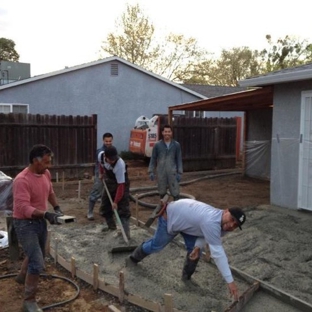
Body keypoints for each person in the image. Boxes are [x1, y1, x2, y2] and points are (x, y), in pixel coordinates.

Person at [128, 198, 246, 301]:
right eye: (232, 219)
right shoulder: (212, 221)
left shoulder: (223, 225)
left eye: (235, 225)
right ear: (225, 211)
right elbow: (218, 254)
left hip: (188, 223)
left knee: (195, 253)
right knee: (156, 246)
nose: (231, 225)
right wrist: (230, 281)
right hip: (171, 217)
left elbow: (204, 233)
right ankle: (133, 258)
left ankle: (186, 278)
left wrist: (197, 247)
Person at [12, 144, 64, 312]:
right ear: (35, 161)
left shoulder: (45, 174)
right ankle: (29, 301)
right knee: (37, 261)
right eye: (46, 162)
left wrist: (56, 209)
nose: (48, 166)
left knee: (36, 252)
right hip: (24, 224)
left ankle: (22, 276)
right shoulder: (22, 180)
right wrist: (46, 215)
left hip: (39, 221)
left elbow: (50, 192)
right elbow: (23, 208)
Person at [98, 145, 131, 238]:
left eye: (114, 159)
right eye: (110, 159)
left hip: (121, 184)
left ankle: (125, 234)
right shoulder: (101, 156)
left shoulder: (119, 165)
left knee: (123, 210)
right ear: (105, 157)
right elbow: (100, 164)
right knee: (105, 207)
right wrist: (101, 173)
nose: (113, 161)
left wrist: (116, 202)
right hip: (109, 182)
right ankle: (111, 227)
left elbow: (121, 186)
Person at [148, 124, 182, 200]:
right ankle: (163, 210)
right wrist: (151, 171)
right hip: (161, 172)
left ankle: (175, 210)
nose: (167, 133)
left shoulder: (176, 145)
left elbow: (179, 159)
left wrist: (179, 172)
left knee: (175, 193)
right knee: (162, 193)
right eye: (165, 131)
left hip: (172, 173)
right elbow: (153, 159)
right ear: (162, 133)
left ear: (171, 133)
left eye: (169, 132)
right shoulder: (157, 145)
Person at [87, 132, 113, 220]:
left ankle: (104, 211)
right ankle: (90, 212)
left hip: (110, 175)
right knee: (96, 192)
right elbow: (100, 163)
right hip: (100, 175)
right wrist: (100, 174)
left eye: (110, 141)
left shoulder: (113, 150)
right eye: (106, 141)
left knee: (106, 195)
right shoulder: (100, 151)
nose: (108, 143)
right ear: (103, 141)